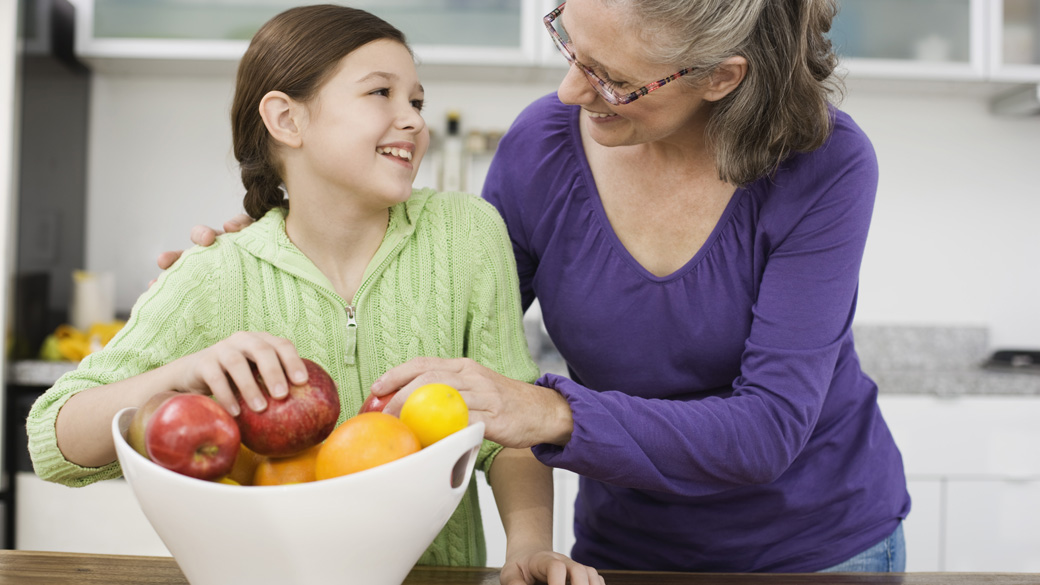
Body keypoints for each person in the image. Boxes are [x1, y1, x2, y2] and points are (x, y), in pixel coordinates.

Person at [164, 0, 911, 575]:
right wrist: (296, 241)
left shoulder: (826, 164)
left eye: (613, 78)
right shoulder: (544, 144)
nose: (569, 89)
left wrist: (546, 410)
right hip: (617, 551)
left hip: (818, 551)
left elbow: (767, 429)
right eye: (569, 42)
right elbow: (442, 303)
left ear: (720, 78)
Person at [26, 6, 602, 585]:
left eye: (418, 102)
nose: (412, 120)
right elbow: (51, 440)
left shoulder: (467, 235)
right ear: (287, 120)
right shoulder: (214, 274)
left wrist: (527, 548)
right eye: (381, 92)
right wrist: (183, 372)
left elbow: (510, 430)